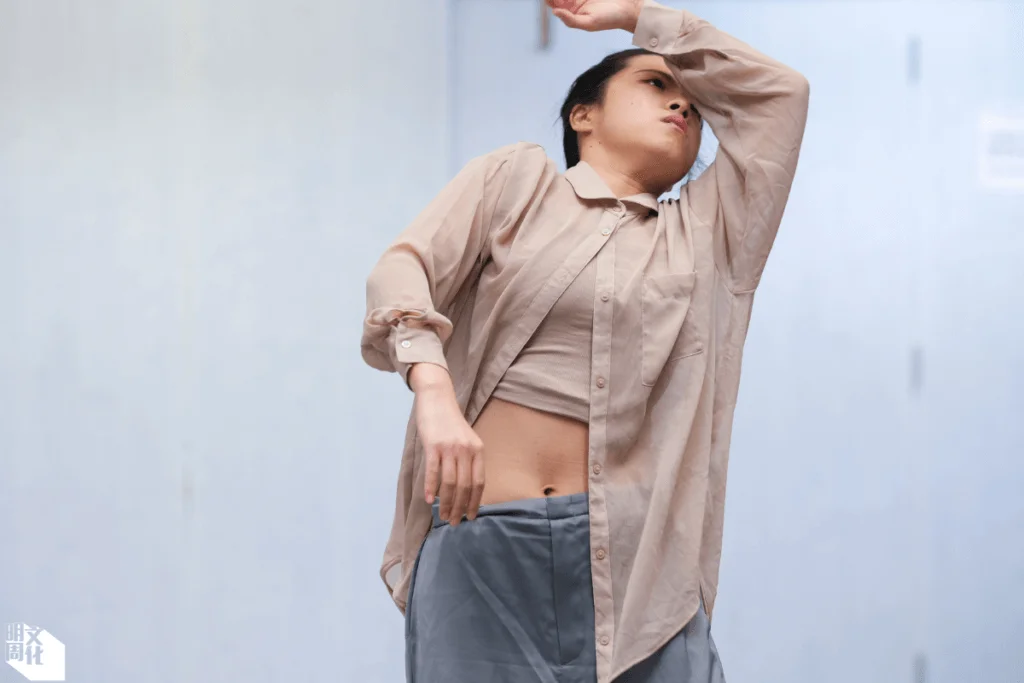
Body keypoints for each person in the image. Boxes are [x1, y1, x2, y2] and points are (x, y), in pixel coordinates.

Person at [360, 0, 809, 680]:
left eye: (695, 105)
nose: (682, 105)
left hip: (639, 572)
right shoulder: (517, 183)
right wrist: (433, 390)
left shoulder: (709, 234)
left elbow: (781, 95)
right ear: (583, 115)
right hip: (481, 549)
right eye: (655, 84)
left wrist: (636, 15)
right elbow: (403, 269)